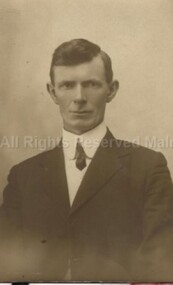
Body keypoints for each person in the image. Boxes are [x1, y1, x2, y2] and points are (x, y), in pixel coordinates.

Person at [0, 38, 173, 282]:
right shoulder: (22, 176)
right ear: (52, 92)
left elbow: (160, 267)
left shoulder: (148, 167)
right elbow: (7, 268)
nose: (79, 97)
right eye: (67, 85)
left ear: (111, 90)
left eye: (91, 84)